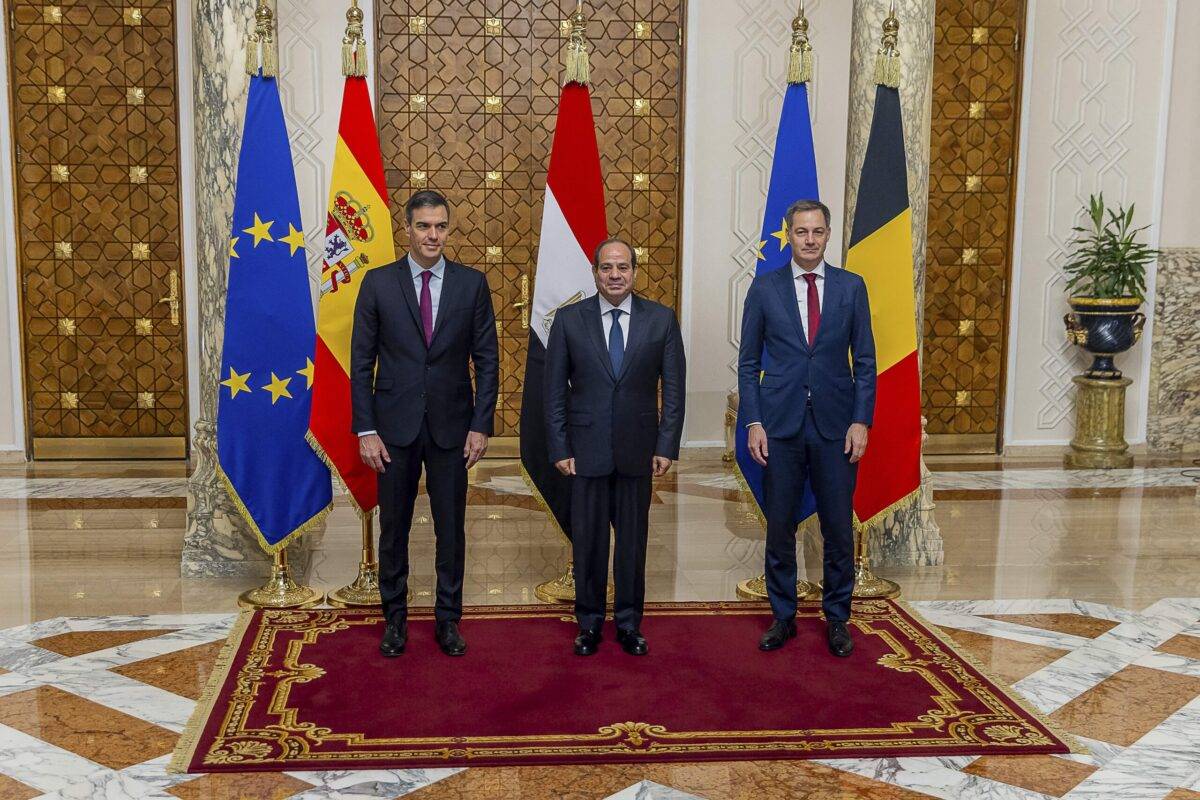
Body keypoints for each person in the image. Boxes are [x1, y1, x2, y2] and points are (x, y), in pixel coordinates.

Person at [350, 190, 499, 658]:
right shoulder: (377, 284)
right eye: (423, 226)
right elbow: (360, 364)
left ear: (447, 229)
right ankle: (394, 621)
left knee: (450, 528)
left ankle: (448, 621)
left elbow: (488, 360)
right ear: (407, 230)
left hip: (453, 429)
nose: (432, 235)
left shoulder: (471, 284)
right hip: (392, 430)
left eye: (440, 227)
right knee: (394, 529)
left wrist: (481, 425)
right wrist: (365, 429)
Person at [737, 199, 876, 658]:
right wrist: (754, 421)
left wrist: (861, 420)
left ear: (828, 235)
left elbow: (867, 362)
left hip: (837, 427)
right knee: (781, 527)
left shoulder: (852, 288)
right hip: (779, 425)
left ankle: (838, 619)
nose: (810, 240)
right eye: (801, 232)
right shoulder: (764, 288)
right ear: (789, 236)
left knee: (838, 527)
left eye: (817, 232)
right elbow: (749, 362)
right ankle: (783, 617)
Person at [544, 238, 685, 656]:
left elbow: (673, 390)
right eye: (607, 268)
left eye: (623, 267)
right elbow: (553, 392)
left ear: (635, 272)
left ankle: (628, 623)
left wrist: (666, 444)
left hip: (638, 451)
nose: (615, 275)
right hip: (585, 451)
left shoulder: (660, 320)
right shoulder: (569, 321)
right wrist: (559, 447)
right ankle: (588, 624)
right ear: (595, 272)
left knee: (632, 543)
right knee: (587, 542)